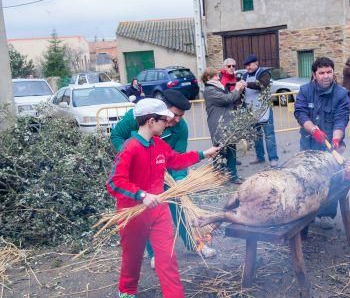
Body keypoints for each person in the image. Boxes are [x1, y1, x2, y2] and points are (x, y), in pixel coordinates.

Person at [107, 98, 219, 298]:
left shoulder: (158, 144)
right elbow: (114, 182)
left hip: (159, 211)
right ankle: (126, 291)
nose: (167, 123)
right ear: (151, 121)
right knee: (132, 257)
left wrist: (203, 154)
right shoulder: (129, 147)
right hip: (133, 214)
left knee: (167, 259)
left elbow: (176, 160)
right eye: (163, 120)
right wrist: (141, 195)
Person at [294, 57, 350, 229]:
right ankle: (308, 212)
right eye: (321, 73)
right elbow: (300, 113)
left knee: (331, 177)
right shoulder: (305, 91)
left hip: (331, 144)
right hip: (309, 142)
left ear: (333, 73)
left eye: (329, 72)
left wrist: (335, 138)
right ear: (314, 75)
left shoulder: (341, 94)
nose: (326, 76)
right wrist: (313, 130)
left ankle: (326, 213)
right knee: (306, 177)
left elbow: (341, 119)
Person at [202, 67, 246, 184]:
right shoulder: (209, 90)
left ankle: (233, 176)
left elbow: (232, 99)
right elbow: (227, 99)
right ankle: (218, 177)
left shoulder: (218, 87)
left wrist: (240, 90)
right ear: (208, 78)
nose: (219, 77)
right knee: (219, 151)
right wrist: (236, 88)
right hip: (218, 124)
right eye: (216, 76)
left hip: (227, 123)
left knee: (231, 149)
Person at [242, 54, 279, 167]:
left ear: (256, 63)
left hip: (264, 110)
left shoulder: (263, 73)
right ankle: (260, 157)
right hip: (251, 111)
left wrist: (247, 84)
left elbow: (263, 84)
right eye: (246, 65)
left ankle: (273, 158)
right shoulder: (244, 76)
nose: (248, 67)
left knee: (269, 135)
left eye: (250, 65)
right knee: (256, 136)